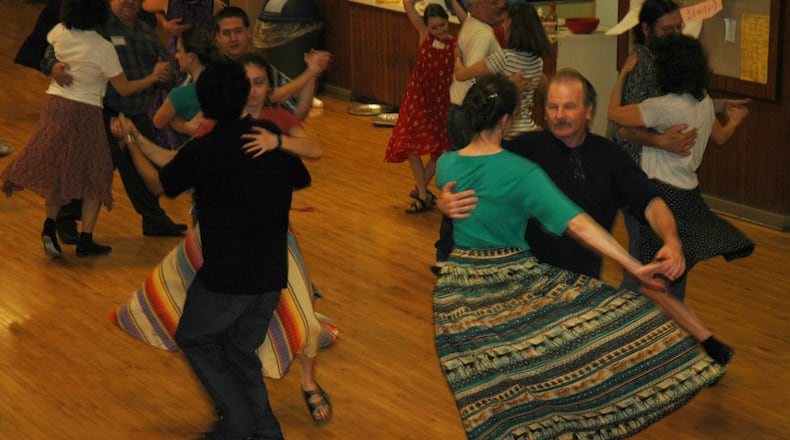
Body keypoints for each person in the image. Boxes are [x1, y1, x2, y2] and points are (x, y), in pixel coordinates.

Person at [434, 73, 731, 440]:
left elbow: (649, 200)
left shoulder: (606, 156)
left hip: (545, 290)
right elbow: (577, 223)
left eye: (569, 106)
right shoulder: (523, 160)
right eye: (553, 107)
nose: (559, 114)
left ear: (589, 111)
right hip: (528, 290)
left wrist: (670, 239)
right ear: (512, 118)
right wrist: (632, 264)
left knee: (506, 392)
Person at [111, 52, 333, 425]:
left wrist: (130, 143)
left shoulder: (205, 149)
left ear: (206, 103)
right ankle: (261, 431)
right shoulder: (271, 141)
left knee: (196, 339)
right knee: (240, 350)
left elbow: (156, 184)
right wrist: (279, 144)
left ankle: (238, 421)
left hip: (225, 280)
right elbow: (302, 174)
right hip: (269, 277)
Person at [1, 0, 170, 258]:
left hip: (54, 105)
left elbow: (49, 49)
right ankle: (86, 239)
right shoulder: (103, 48)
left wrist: (57, 65)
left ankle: (50, 226)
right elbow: (124, 88)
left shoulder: (59, 32)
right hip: (87, 111)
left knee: (60, 168)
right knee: (98, 175)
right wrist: (153, 78)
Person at [607, 0, 750, 299]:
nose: (674, 34)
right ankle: (654, 325)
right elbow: (622, 130)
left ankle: (654, 326)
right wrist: (659, 140)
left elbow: (621, 115)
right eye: (666, 29)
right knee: (660, 267)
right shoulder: (647, 66)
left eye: (678, 29)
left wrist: (719, 107)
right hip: (645, 183)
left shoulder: (676, 93)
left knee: (657, 267)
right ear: (646, 30)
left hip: (658, 186)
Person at [43, 0, 187, 242]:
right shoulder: (93, 26)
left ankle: (153, 218)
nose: (130, 2)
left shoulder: (146, 32)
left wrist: (165, 74)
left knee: (145, 168)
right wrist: (54, 66)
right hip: (99, 114)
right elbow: (52, 52)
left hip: (135, 113)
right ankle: (67, 219)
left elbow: (166, 70)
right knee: (89, 169)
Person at [435, 0, 506, 266]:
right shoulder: (482, 33)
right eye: (494, 1)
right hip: (469, 117)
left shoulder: (472, 25)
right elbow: (471, 78)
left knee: (461, 183)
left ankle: (448, 253)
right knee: (472, 187)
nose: (500, 5)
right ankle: (456, 252)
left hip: (459, 114)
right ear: (477, 4)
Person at [383, 0, 466, 214]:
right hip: (419, 99)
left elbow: (467, 20)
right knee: (410, 145)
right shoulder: (424, 35)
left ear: (448, 22)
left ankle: (421, 192)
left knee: (441, 150)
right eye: (434, 27)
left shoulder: (456, 44)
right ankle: (421, 193)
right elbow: (408, 5)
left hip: (442, 103)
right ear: (427, 27)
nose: (438, 31)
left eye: (442, 26)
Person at [214, 6, 331, 121]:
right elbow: (277, 96)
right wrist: (310, 72)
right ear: (217, 38)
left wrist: (313, 70)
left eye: (238, 31)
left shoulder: (261, 65)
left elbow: (298, 112)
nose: (233, 38)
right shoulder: (215, 71)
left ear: (249, 32)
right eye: (226, 33)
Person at [453, 2, 550, 137]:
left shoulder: (504, 58)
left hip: (507, 132)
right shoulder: (537, 62)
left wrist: (457, 56)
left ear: (509, 23)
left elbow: (461, 75)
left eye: (504, 22)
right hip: (528, 130)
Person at [151, 27, 216, 141]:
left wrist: (181, 125)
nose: (176, 56)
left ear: (190, 57)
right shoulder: (224, 83)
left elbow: (158, 122)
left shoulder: (181, 95)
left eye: (179, 51)